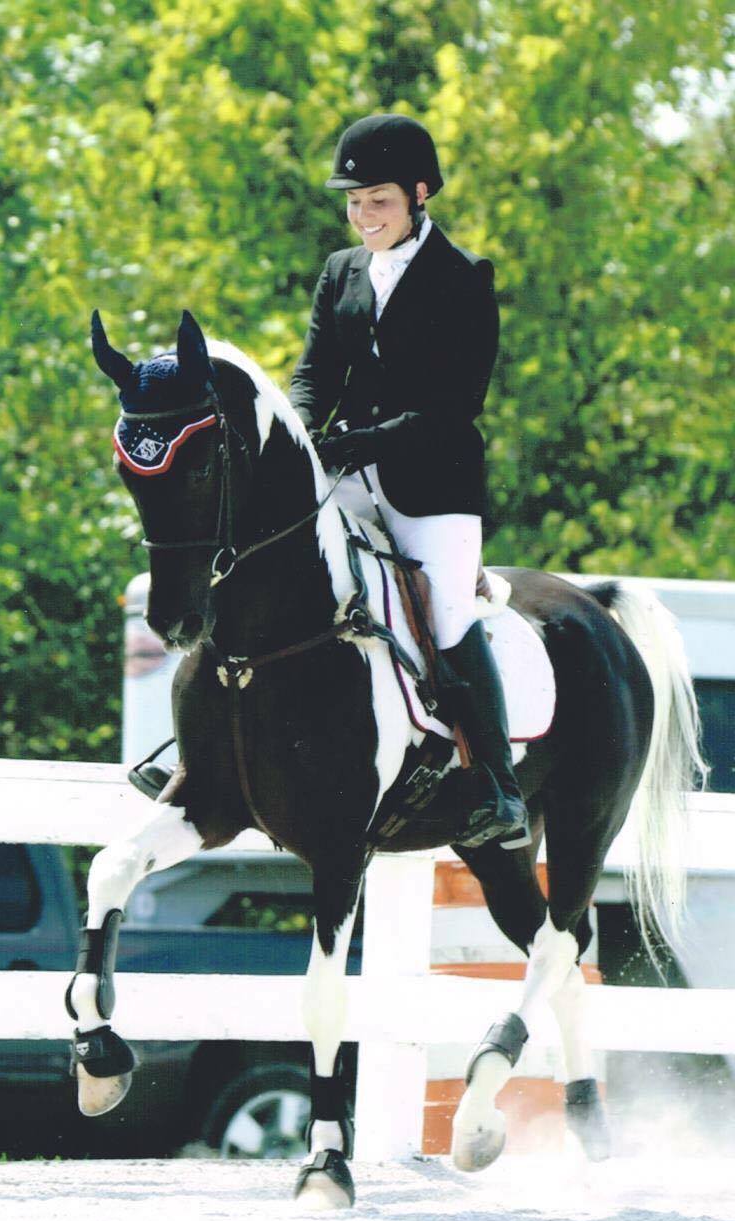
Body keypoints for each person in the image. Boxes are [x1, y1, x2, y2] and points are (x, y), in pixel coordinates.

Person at [289, 113, 530, 849]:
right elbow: (315, 371)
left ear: (420, 194)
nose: (363, 216)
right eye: (354, 202)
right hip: (348, 474)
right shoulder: (341, 271)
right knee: (286, 572)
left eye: (379, 201)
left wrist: (362, 440)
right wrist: (302, 433)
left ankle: (499, 784)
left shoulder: (463, 278)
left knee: (448, 615)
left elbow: (457, 403)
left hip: (435, 484)